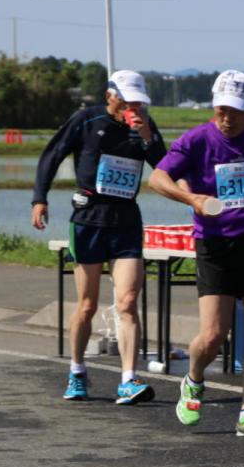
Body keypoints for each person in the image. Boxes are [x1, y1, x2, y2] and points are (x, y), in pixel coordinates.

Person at [148, 70, 244, 439]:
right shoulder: (196, 140)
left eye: (234, 110)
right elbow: (157, 178)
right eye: (221, 110)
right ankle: (194, 379)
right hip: (215, 245)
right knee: (214, 334)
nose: (227, 118)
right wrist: (192, 198)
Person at [31, 70, 165, 405]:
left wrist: (146, 136)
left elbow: (164, 166)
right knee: (87, 304)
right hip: (89, 219)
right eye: (126, 100)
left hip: (126, 221)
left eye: (138, 102)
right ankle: (77, 371)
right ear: (110, 96)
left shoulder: (145, 124)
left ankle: (129, 380)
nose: (132, 107)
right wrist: (39, 198)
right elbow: (53, 154)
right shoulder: (86, 120)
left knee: (128, 302)